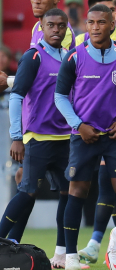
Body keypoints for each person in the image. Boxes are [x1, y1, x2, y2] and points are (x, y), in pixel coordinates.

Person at [0, 9, 75, 269]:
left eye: (61, 26)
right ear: (40, 26)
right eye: (51, 25)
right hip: (37, 138)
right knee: (27, 191)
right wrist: (16, 137)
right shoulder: (33, 57)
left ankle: (61, 254)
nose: (56, 30)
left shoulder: (67, 57)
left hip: (64, 138)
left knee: (68, 193)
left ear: (66, 30)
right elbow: (16, 96)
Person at [54, 4, 116, 269]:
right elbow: (59, 96)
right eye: (91, 22)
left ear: (112, 26)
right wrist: (78, 125)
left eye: (101, 22)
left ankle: (111, 251)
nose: (95, 27)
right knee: (76, 192)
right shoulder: (75, 56)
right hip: (83, 135)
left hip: (112, 137)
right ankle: (70, 258)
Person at [75, 0, 116, 263]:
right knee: (105, 184)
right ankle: (96, 244)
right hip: (99, 130)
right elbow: (58, 77)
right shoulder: (81, 42)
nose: (97, 25)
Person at [0, 0, 76, 96]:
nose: (36, 2)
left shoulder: (61, 32)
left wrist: (9, 81)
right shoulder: (37, 27)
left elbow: (53, 75)